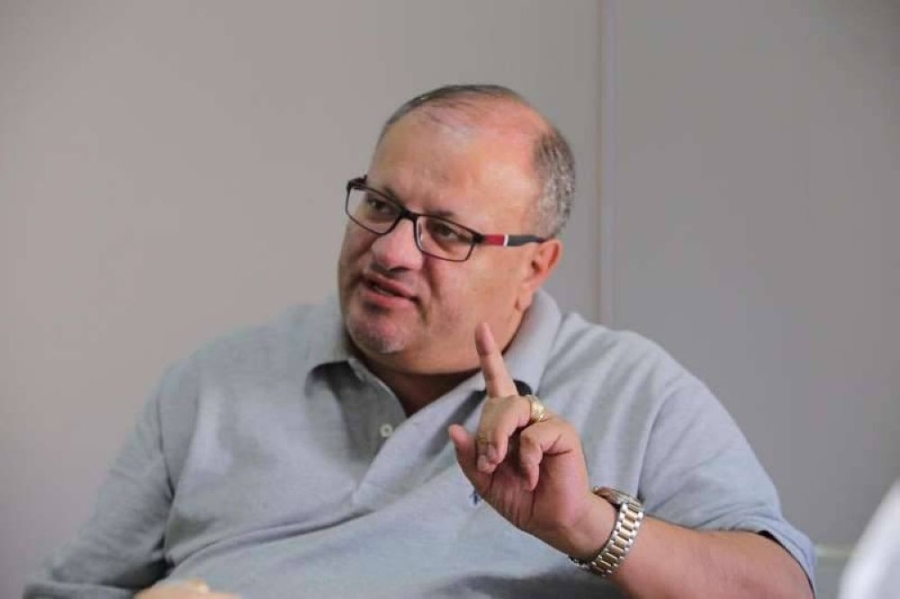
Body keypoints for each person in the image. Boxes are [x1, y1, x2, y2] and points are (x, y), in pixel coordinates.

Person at [25, 84, 815, 599]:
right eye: (380, 204)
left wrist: (588, 526)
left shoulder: (633, 388)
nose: (392, 250)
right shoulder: (214, 380)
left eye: (446, 232)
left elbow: (780, 589)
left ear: (535, 265)